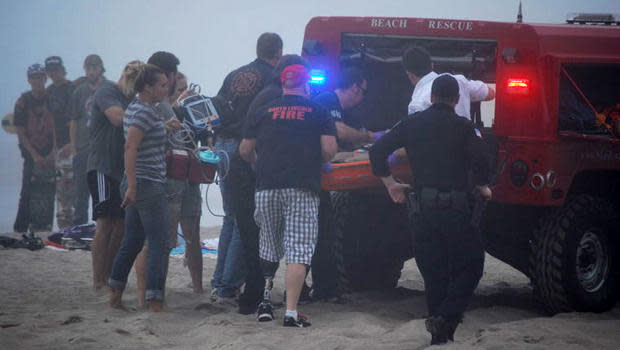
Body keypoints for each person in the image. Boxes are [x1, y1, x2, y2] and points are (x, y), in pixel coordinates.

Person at [369, 75, 492, 345]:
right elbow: (483, 157)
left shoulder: (411, 124)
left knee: (434, 273)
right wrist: (482, 185)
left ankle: (440, 333)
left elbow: (377, 150)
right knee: (471, 266)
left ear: (432, 97)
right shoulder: (464, 126)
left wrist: (390, 184)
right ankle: (446, 317)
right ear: (457, 99)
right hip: (456, 210)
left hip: (421, 211)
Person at [240, 64, 338, 327]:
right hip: (302, 186)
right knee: (299, 249)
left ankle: (264, 301)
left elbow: (245, 150)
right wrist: (314, 159)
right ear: (306, 85)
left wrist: (258, 162)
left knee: (268, 242)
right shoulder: (319, 111)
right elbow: (329, 150)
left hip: (266, 186)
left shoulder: (263, 111)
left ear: (284, 84)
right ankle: (291, 312)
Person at [213, 32, 282, 311]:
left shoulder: (234, 75)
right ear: (278, 52)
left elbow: (215, 107)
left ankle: (220, 282)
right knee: (246, 217)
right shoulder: (271, 79)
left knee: (231, 217)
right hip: (244, 147)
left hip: (221, 146)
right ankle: (230, 284)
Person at [309, 67, 386, 302]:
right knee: (321, 234)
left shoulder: (341, 109)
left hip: (316, 175)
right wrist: (372, 137)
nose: (362, 97)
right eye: (363, 92)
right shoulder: (327, 100)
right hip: (315, 177)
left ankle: (326, 288)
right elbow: (339, 132)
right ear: (354, 87)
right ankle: (322, 289)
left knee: (325, 232)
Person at [108, 63, 170, 312]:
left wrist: (164, 128)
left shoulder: (137, 108)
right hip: (146, 183)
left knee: (132, 240)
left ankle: (114, 294)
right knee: (159, 242)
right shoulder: (144, 112)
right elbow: (130, 147)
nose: (167, 89)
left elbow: (141, 140)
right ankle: (155, 301)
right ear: (148, 87)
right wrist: (132, 186)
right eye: (163, 85)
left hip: (139, 182)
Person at [143, 51, 204, 300]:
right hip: (170, 176)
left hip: (183, 172)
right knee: (167, 239)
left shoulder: (158, 103)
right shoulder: (155, 104)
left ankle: (195, 288)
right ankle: (157, 292)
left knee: (188, 235)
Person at [87, 60, 141, 291]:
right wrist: (146, 114)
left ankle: (109, 276)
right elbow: (117, 118)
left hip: (121, 171)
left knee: (120, 226)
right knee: (105, 223)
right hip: (102, 166)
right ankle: (98, 279)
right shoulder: (107, 91)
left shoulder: (133, 99)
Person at [13, 64, 56, 232]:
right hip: (31, 154)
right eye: (34, 77)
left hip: (51, 151)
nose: (37, 81)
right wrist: (34, 155)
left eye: (40, 77)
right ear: (29, 80)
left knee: (49, 192)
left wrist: (53, 152)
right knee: (27, 192)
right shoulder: (22, 102)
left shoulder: (52, 99)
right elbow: (21, 132)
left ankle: (46, 228)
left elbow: (58, 128)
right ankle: (21, 229)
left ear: (45, 79)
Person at [403, 46, 495, 119]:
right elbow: (490, 94)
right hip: (466, 140)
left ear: (409, 74)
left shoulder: (416, 104)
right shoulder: (459, 80)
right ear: (432, 65)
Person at [69, 54, 106, 226]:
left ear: (101, 68)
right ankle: (79, 227)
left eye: (94, 67)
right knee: (80, 192)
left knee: (103, 191)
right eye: (88, 68)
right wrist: (74, 149)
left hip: (103, 149)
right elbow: (74, 121)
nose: (91, 71)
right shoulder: (79, 91)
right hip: (83, 149)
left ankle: (101, 226)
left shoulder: (110, 88)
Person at [44, 56, 76, 229]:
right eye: (50, 70)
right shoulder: (48, 92)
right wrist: (54, 146)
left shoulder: (72, 89)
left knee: (72, 186)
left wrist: (72, 143)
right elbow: (49, 122)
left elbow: (77, 119)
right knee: (61, 190)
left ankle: (75, 226)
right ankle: (64, 228)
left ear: (62, 70)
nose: (53, 73)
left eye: (56, 69)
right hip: (57, 147)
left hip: (73, 146)